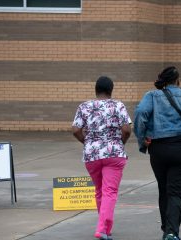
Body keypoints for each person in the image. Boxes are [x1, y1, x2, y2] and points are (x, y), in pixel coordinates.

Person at [134, 66, 181, 240]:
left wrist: (143, 138)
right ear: (178, 80)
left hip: (159, 148)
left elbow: (140, 113)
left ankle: (166, 228)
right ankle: (171, 231)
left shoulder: (151, 96)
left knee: (164, 189)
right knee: (176, 192)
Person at [72, 76, 131, 240]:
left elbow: (75, 129)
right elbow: (126, 129)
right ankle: (102, 229)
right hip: (114, 153)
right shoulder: (118, 105)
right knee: (110, 192)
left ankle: (104, 227)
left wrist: (87, 142)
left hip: (92, 154)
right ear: (111, 90)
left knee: (99, 191)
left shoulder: (84, 106)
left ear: (95, 90)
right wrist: (121, 142)